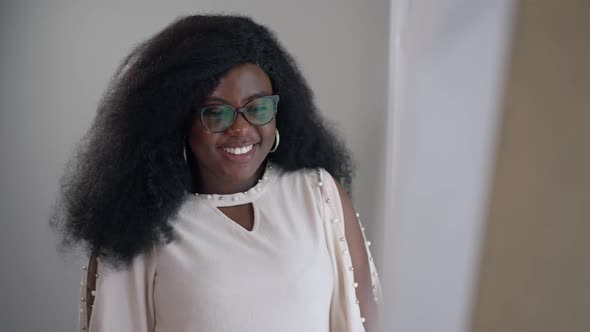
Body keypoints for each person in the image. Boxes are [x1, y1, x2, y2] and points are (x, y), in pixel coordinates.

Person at [51, 14, 381, 332]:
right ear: (178, 119)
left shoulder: (318, 195)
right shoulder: (138, 228)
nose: (241, 128)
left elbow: (371, 321)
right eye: (216, 112)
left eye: (258, 107)